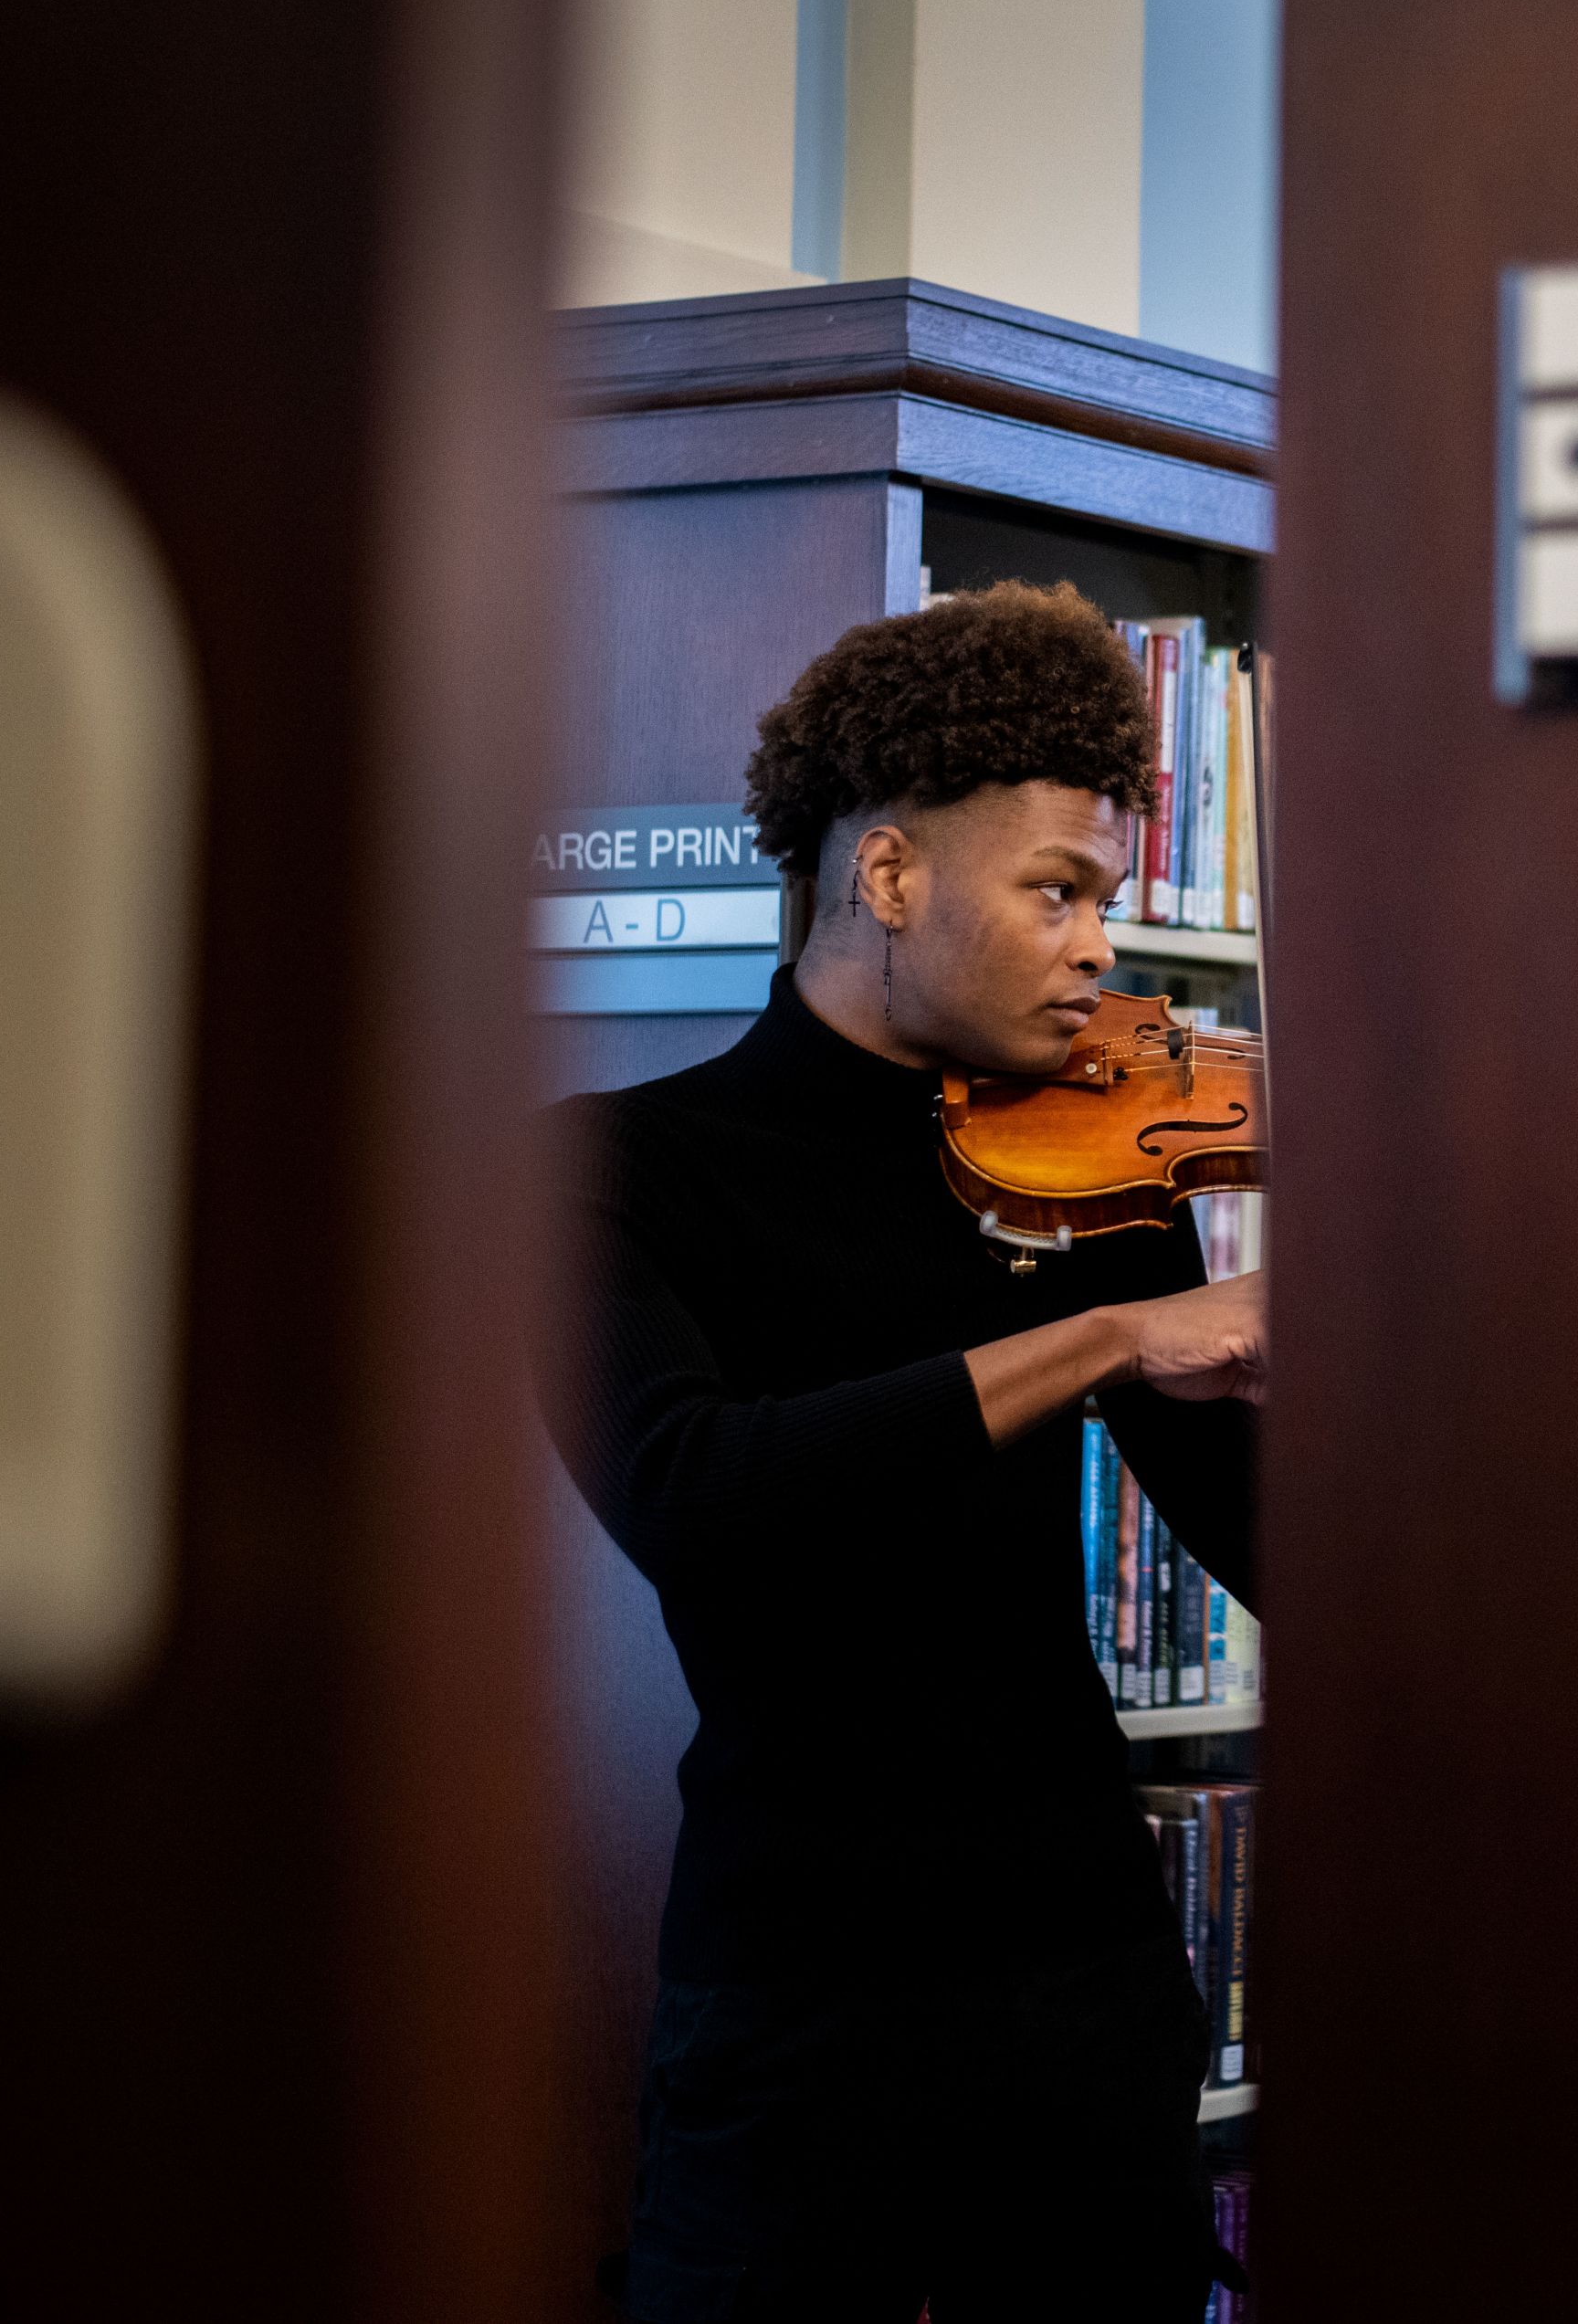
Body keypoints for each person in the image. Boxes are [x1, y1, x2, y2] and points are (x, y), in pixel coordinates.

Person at [545, 580, 1266, 2322]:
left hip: (1082, 1968)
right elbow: (699, 1498)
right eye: (1060, 893)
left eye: (1106, 896)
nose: (1103, 949)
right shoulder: (618, 1169)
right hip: (799, 1994)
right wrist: (1099, 1340)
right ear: (887, 877)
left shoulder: (1097, 1170)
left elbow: (1270, 1546)